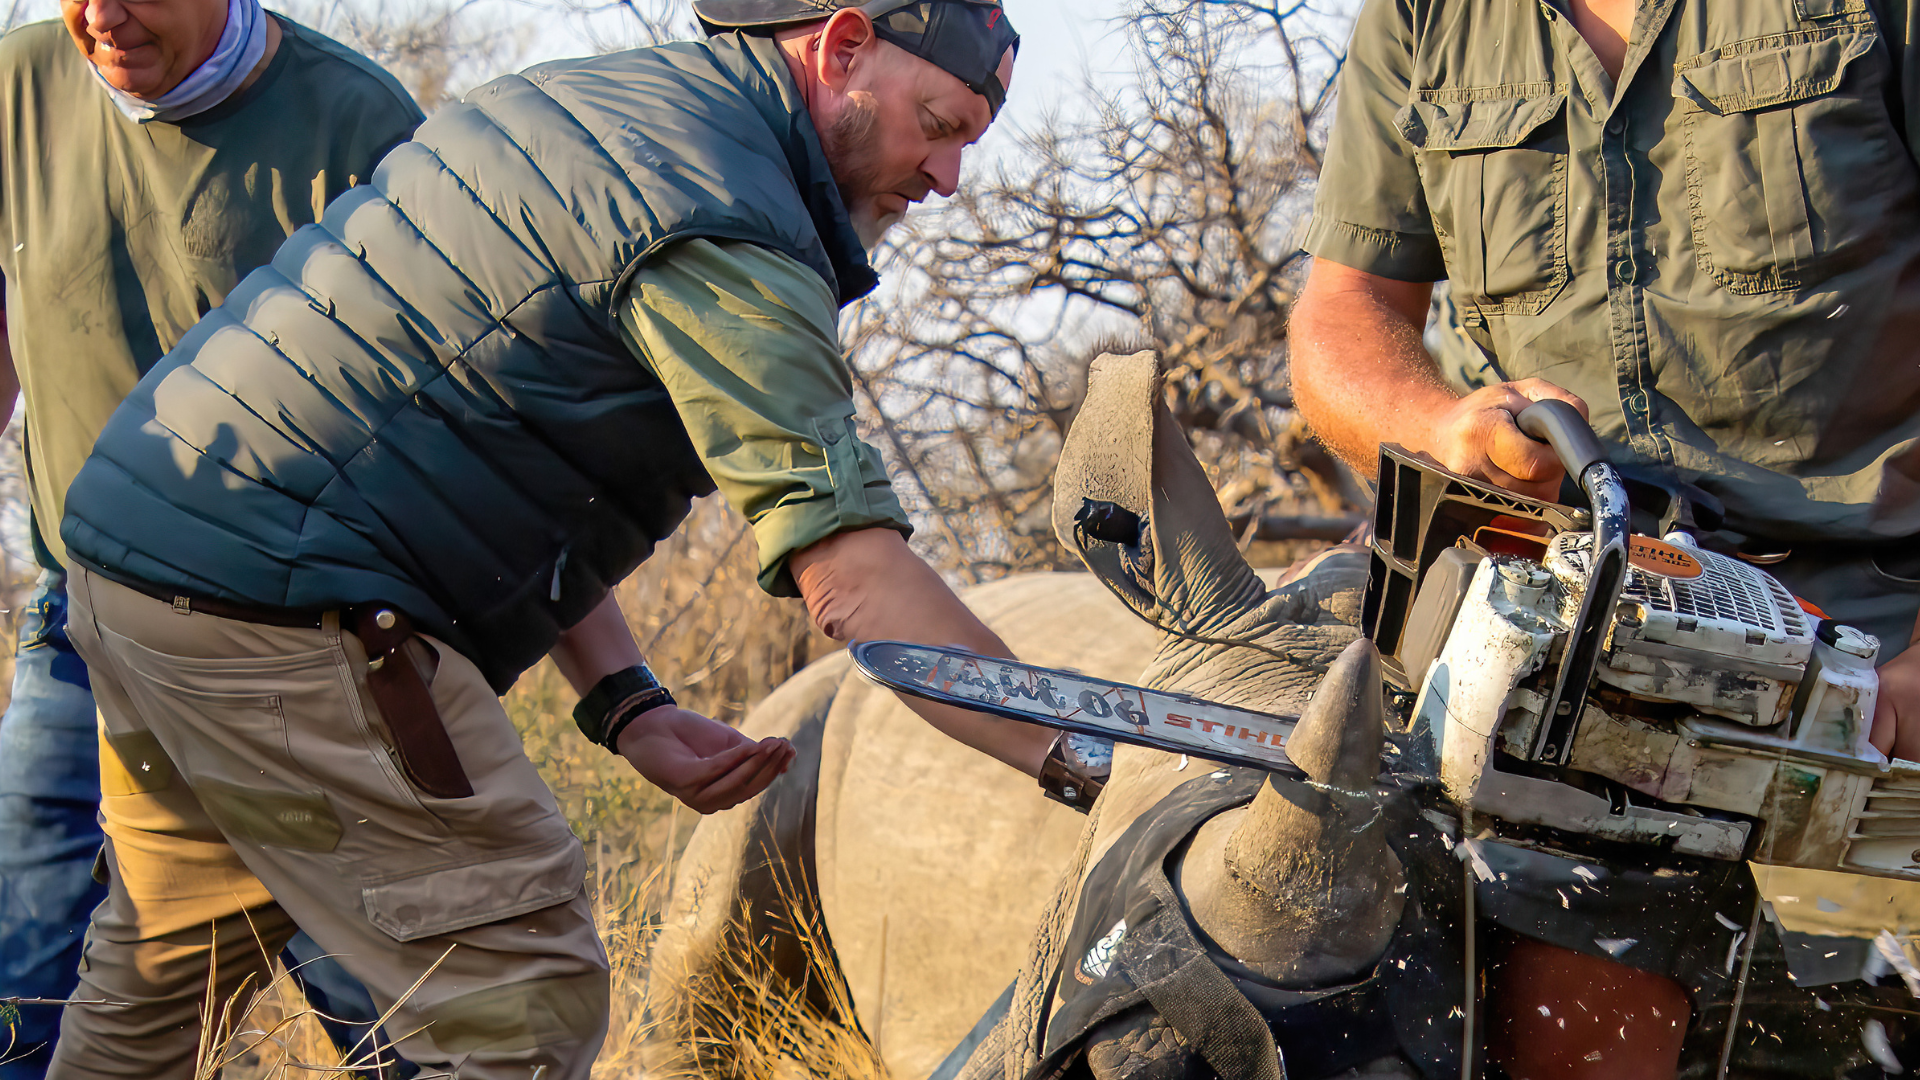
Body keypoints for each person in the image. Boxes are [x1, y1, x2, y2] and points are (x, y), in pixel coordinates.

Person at [43, 1, 1057, 1076]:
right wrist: (1075, 755)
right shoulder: (723, 217)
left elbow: (500, 455)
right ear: (842, 44)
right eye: (939, 124)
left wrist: (627, 702)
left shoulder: (596, 110)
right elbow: (849, 576)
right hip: (285, 600)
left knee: (160, 990)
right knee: (521, 994)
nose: (947, 177)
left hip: (141, 572)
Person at [1289, 0, 1920, 1073]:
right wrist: (1443, 421)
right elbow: (1343, 313)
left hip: (1877, 634)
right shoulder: (1421, 19)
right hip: (1578, 651)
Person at [0, 0, 423, 1074]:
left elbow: (449, 420)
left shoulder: (356, 123)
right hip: (78, 625)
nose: (103, 17)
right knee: (21, 993)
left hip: (289, 652)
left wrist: (617, 688)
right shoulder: (19, 86)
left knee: (400, 1024)